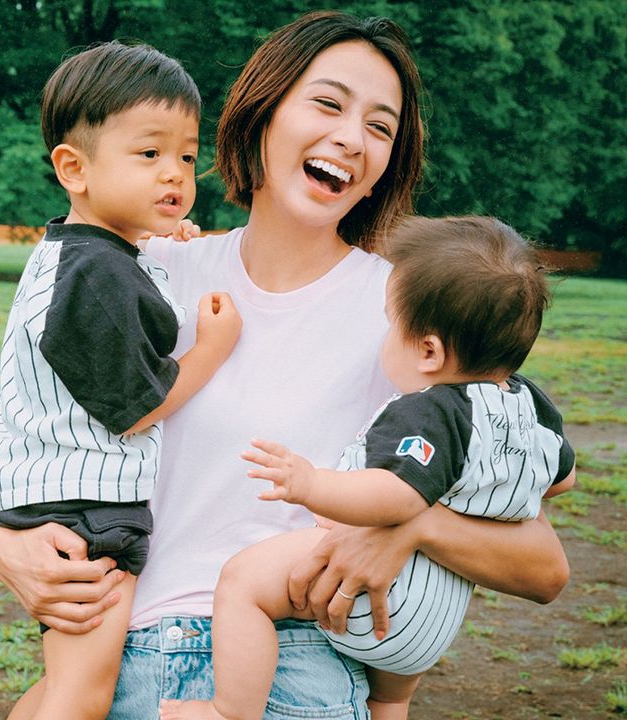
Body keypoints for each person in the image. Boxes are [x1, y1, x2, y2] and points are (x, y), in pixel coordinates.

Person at [0, 13, 571, 719]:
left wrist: (412, 527)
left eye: (380, 127)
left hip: (286, 672)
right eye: (328, 104)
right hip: (115, 660)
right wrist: (7, 540)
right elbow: (47, 431)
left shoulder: (410, 318)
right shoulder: (144, 271)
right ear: (262, 114)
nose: (351, 138)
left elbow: (543, 564)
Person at [159, 215, 576, 720]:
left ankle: (229, 710)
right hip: (432, 623)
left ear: (429, 351)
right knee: (391, 697)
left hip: (377, 600)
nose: (384, 338)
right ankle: (389, 705)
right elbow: (562, 479)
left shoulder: (429, 410)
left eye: (390, 324)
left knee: (243, 582)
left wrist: (312, 484)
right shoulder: (530, 406)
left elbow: (396, 495)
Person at [0, 41, 241, 720]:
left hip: (57, 498)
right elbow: (138, 408)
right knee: (83, 693)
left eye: (187, 157)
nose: (175, 172)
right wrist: (212, 350)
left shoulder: (87, 252)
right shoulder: (97, 275)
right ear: (75, 168)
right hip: (86, 511)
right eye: (149, 153)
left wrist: (156, 236)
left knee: (63, 685)